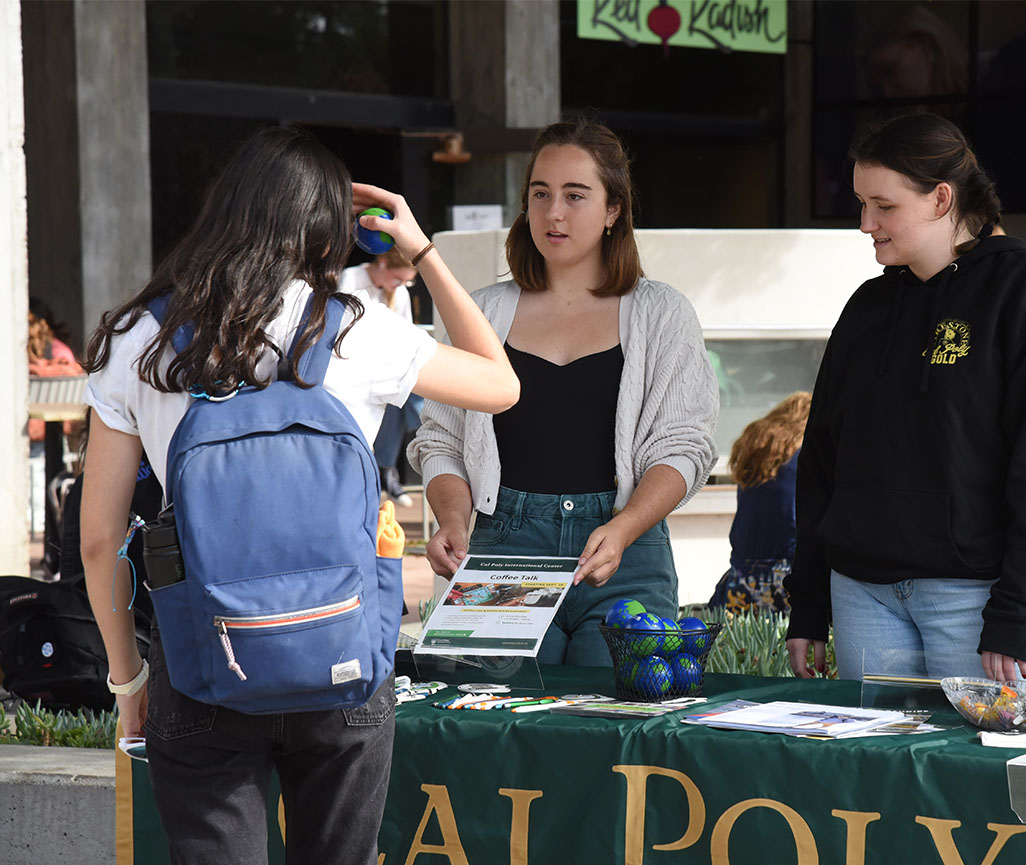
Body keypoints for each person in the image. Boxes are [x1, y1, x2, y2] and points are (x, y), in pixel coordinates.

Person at [79, 126, 517, 864]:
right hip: (342, 663)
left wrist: (129, 680)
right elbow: (501, 383)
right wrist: (425, 250)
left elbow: (98, 540)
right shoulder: (356, 332)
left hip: (205, 665)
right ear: (322, 231)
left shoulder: (139, 339)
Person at [785, 113, 1026, 686]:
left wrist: (1015, 608)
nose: (866, 222)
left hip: (976, 601)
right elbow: (821, 463)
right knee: (877, 778)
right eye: (860, 203)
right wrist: (809, 604)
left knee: (992, 771)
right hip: (862, 598)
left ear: (942, 198)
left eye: (884, 205)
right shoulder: (866, 307)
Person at [409, 118, 719, 667]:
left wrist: (624, 527)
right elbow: (441, 442)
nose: (553, 213)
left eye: (576, 195)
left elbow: (685, 447)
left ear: (613, 210)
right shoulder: (479, 312)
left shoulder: (663, 313)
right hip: (503, 548)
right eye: (540, 194)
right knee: (486, 724)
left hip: (625, 551)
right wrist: (453, 522)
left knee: (613, 728)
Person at [709, 391, 812, 614]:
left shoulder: (757, 460)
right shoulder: (804, 458)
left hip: (743, 576)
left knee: (745, 646)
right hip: (788, 576)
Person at [340, 247, 424, 505]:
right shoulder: (351, 279)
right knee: (407, 394)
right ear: (384, 264)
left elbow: (406, 336)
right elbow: (343, 326)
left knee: (400, 397)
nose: (403, 286)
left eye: (407, 281)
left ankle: (386, 468)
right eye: (399, 279)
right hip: (353, 362)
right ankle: (427, 427)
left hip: (384, 364)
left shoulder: (399, 293)